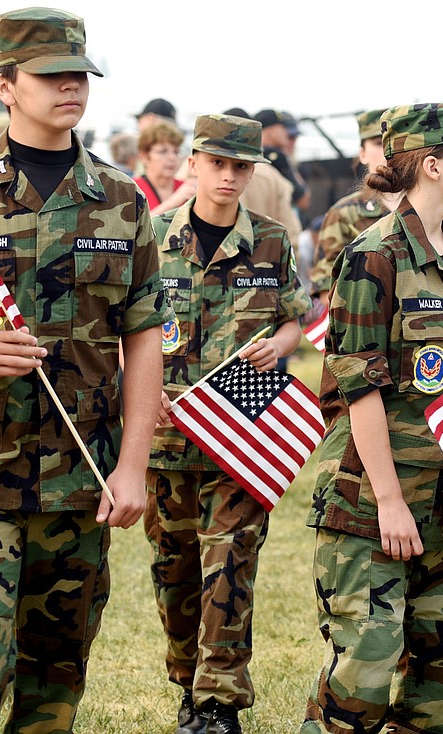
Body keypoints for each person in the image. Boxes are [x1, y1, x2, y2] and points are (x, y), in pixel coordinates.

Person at [0, 8, 171, 733]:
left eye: (79, 74)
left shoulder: (122, 201)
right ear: (4, 85)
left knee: (55, 673)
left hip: (79, 474)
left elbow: (144, 338)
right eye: (51, 75)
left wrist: (134, 467)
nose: (70, 87)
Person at [301, 102, 443, 734]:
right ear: (433, 164)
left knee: (438, 688)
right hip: (373, 501)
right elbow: (357, 389)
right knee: (364, 673)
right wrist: (388, 500)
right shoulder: (371, 257)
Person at [147, 113, 310, 734]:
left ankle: (217, 702)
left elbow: (295, 316)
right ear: (193, 163)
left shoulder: (270, 239)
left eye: (242, 166)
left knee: (231, 566)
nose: (229, 177)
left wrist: (282, 344)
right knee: (177, 573)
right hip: (165, 441)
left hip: (241, 433)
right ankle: (188, 681)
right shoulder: (151, 233)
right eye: (217, 163)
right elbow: (119, 331)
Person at [306, 107, 399, 309]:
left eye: (395, 142)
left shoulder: (425, 207)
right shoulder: (344, 213)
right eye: (378, 143)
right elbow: (326, 290)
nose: (388, 151)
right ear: (363, 154)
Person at [134, 119, 196, 215]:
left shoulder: (187, 188)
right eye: (162, 151)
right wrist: (175, 200)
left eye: (176, 152)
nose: (172, 157)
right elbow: (134, 228)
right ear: (144, 157)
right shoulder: (133, 188)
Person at [255, 108, 311, 212]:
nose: (286, 133)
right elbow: (303, 200)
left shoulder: (251, 155)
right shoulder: (277, 157)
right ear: (270, 131)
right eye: (283, 128)